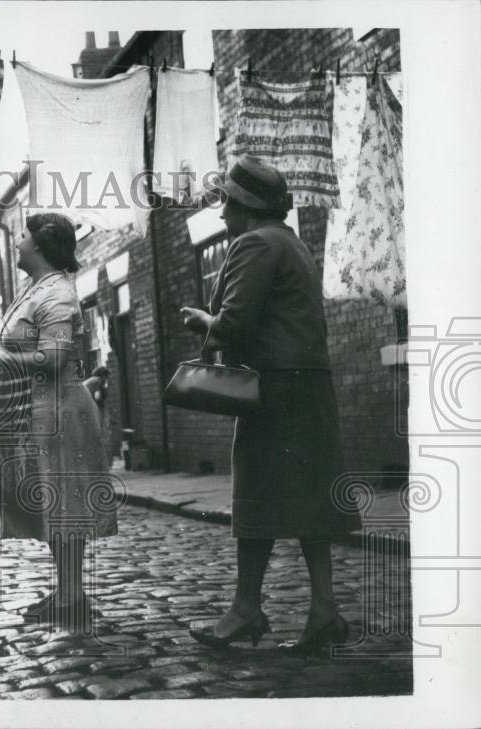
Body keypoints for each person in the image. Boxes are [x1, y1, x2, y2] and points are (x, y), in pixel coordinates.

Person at [179, 156, 362, 654]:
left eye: (227, 204)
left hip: (275, 390)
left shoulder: (254, 243)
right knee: (312, 497)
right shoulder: (292, 243)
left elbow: (233, 324)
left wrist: (203, 323)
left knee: (256, 494)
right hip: (308, 386)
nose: (222, 214)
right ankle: (324, 610)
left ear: (246, 206)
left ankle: (246, 609)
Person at [0, 213, 117, 632]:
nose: (17, 242)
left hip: (59, 412)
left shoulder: (59, 293)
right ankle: (68, 593)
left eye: (23, 236)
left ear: (42, 245)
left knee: (63, 503)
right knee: (51, 504)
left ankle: (72, 596)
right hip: (35, 410)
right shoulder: (35, 289)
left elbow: (54, 357)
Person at [82, 365, 112, 464]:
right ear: (103, 375)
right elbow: (97, 396)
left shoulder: (89, 381)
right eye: (107, 376)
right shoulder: (99, 381)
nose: (107, 379)